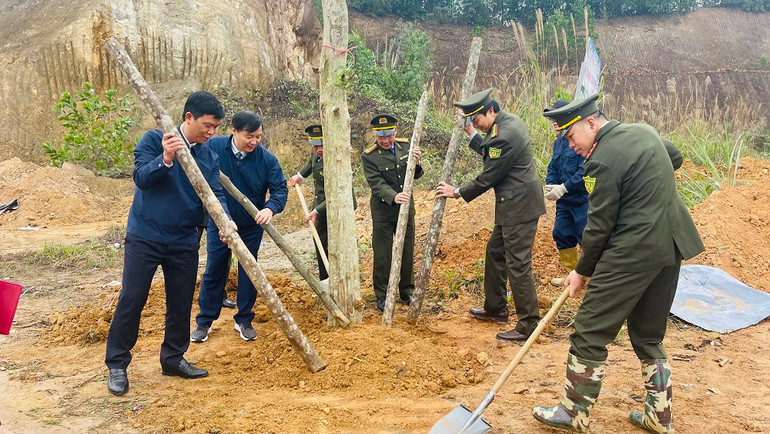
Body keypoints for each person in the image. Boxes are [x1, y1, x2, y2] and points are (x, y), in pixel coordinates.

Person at [532, 94, 704, 434]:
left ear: (592, 124)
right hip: (671, 246)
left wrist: (581, 271)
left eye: (571, 136)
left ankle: (572, 413)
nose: (571, 145)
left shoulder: (601, 161)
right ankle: (660, 416)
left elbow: (599, 226)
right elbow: (675, 156)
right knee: (648, 335)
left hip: (632, 251)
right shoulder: (643, 131)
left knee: (590, 329)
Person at [105, 91, 231, 396]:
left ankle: (173, 358)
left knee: (180, 301)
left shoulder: (208, 156)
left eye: (216, 127)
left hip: (185, 239)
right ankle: (118, 363)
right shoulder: (154, 140)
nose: (212, 132)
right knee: (133, 297)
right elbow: (141, 178)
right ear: (189, 118)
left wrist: (225, 221)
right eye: (208, 125)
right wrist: (166, 159)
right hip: (145, 236)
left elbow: (215, 195)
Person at [437, 88, 545, 342]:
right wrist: (471, 133)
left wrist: (457, 192)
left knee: (518, 263)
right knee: (495, 252)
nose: (476, 125)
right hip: (515, 203)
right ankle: (496, 307)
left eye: (477, 121)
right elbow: (491, 150)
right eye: (472, 122)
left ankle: (528, 324)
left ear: (491, 111)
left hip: (518, 206)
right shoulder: (507, 122)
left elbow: (489, 175)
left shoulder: (503, 136)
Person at [191, 110, 288, 343]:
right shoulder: (213, 147)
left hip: (250, 226)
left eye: (259, 136)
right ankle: (204, 322)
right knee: (215, 270)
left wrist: (269, 208)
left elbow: (280, 189)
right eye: (249, 136)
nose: (254, 141)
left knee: (249, 272)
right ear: (234, 131)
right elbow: (193, 169)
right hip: (220, 224)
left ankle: (244, 319)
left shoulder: (266, 159)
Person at [361, 114, 423, 312]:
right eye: (381, 138)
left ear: (395, 131)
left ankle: (406, 291)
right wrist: (394, 196)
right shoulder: (369, 156)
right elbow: (376, 183)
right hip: (383, 211)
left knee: (406, 251)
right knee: (383, 255)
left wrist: (417, 162)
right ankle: (382, 294)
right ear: (375, 136)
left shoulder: (407, 147)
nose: (385, 141)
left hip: (406, 209)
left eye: (389, 136)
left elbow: (416, 174)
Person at [289, 124, 356, 281]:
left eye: (322, 146)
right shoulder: (317, 153)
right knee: (320, 243)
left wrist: (317, 211)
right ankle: (325, 280)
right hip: (320, 206)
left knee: (338, 246)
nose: (319, 150)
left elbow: (340, 195)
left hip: (340, 207)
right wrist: (300, 175)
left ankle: (342, 279)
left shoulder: (338, 159)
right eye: (315, 146)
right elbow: (312, 162)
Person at [543, 99, 588, 286]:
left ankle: (589, 275)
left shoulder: (579, 140)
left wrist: (564, 187)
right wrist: (551, 185)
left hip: (582, 199)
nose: (553, 120)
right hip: (564, 201)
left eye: (557, 116)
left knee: (586, 237)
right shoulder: (559, 141)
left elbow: (584, 171)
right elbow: (553, 166)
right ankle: (573, 274)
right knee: (561, 233)